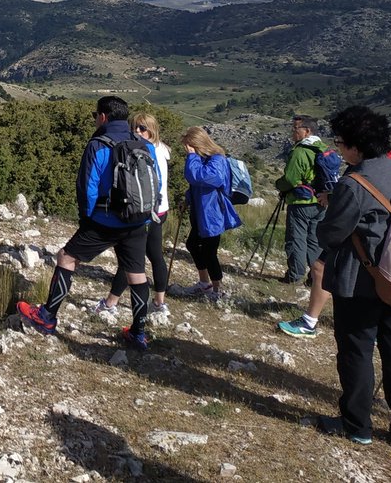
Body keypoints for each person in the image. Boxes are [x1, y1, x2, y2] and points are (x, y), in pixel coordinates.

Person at [315, 105, 391, 451]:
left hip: (360, 280)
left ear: (356, 146)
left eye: (341, 142)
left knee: (356, 350)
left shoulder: (353, 182)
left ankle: (357, 425)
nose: (340, 149)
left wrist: (326, 208)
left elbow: (332, 233)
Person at [18, 96, 156, 350]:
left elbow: (87, 187)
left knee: (66, 257)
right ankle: (138, 332)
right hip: (137, 220)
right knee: (136, 274)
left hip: (105, 220)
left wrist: (87, 219)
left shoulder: (98, 144)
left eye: (96, 115)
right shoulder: (144, 144)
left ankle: (47, 316)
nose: (95, 119)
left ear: (103, 117)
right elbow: (152, 182)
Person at [278, 148, 391, 338]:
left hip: (355, 233)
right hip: (388, 236)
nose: (340, 150)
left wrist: (331, 202)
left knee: (320, 267)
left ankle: (310, 322)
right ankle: (378, 326)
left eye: (341, 142)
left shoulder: (362, 168)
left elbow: (353, 198)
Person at [96, 112, 171, 317]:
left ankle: (111, 303)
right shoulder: (162, 150)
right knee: (155, 256)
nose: (137, 131)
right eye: (134, 127)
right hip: (160, 208)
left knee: (131, 258)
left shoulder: (144, 149)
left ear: (151, 130)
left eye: (142, 128)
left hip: (145, 210)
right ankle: (159, 302)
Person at [179, 127, 242, 301]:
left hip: (212, 213)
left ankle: (216, 290)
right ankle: (204, 282)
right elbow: (195, 184)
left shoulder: (217, 159)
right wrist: (187, 199)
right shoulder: (202, 159)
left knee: (209, 252)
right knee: (192, 244)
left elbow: (203, 178)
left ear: (197, 144)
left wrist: (192, 157)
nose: (187, 151)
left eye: (189, 147)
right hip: (201, 211)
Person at [274, 115, 328, 284]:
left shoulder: (300, 151)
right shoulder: (322, 149)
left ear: (307, 131)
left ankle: (295, 276)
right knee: (315, 240)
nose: (292, 132)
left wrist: (279, 185)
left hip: (300, 202)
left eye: (295, 128)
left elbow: (290, 179)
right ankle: (315, 277)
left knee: (296, 238)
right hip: (320, 201)